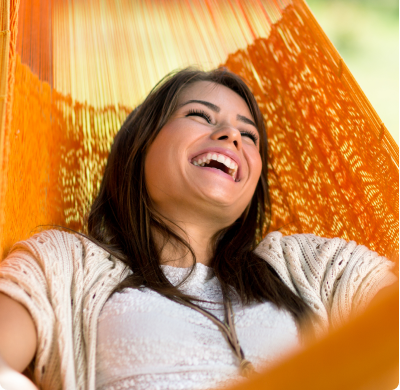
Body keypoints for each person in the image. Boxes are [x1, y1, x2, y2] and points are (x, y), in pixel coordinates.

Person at [0, 68, 397, 390]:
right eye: (199, 116)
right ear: (139, 146)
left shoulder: (313, 267)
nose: (231, 136)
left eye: (249, 135)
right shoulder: (66, 263)